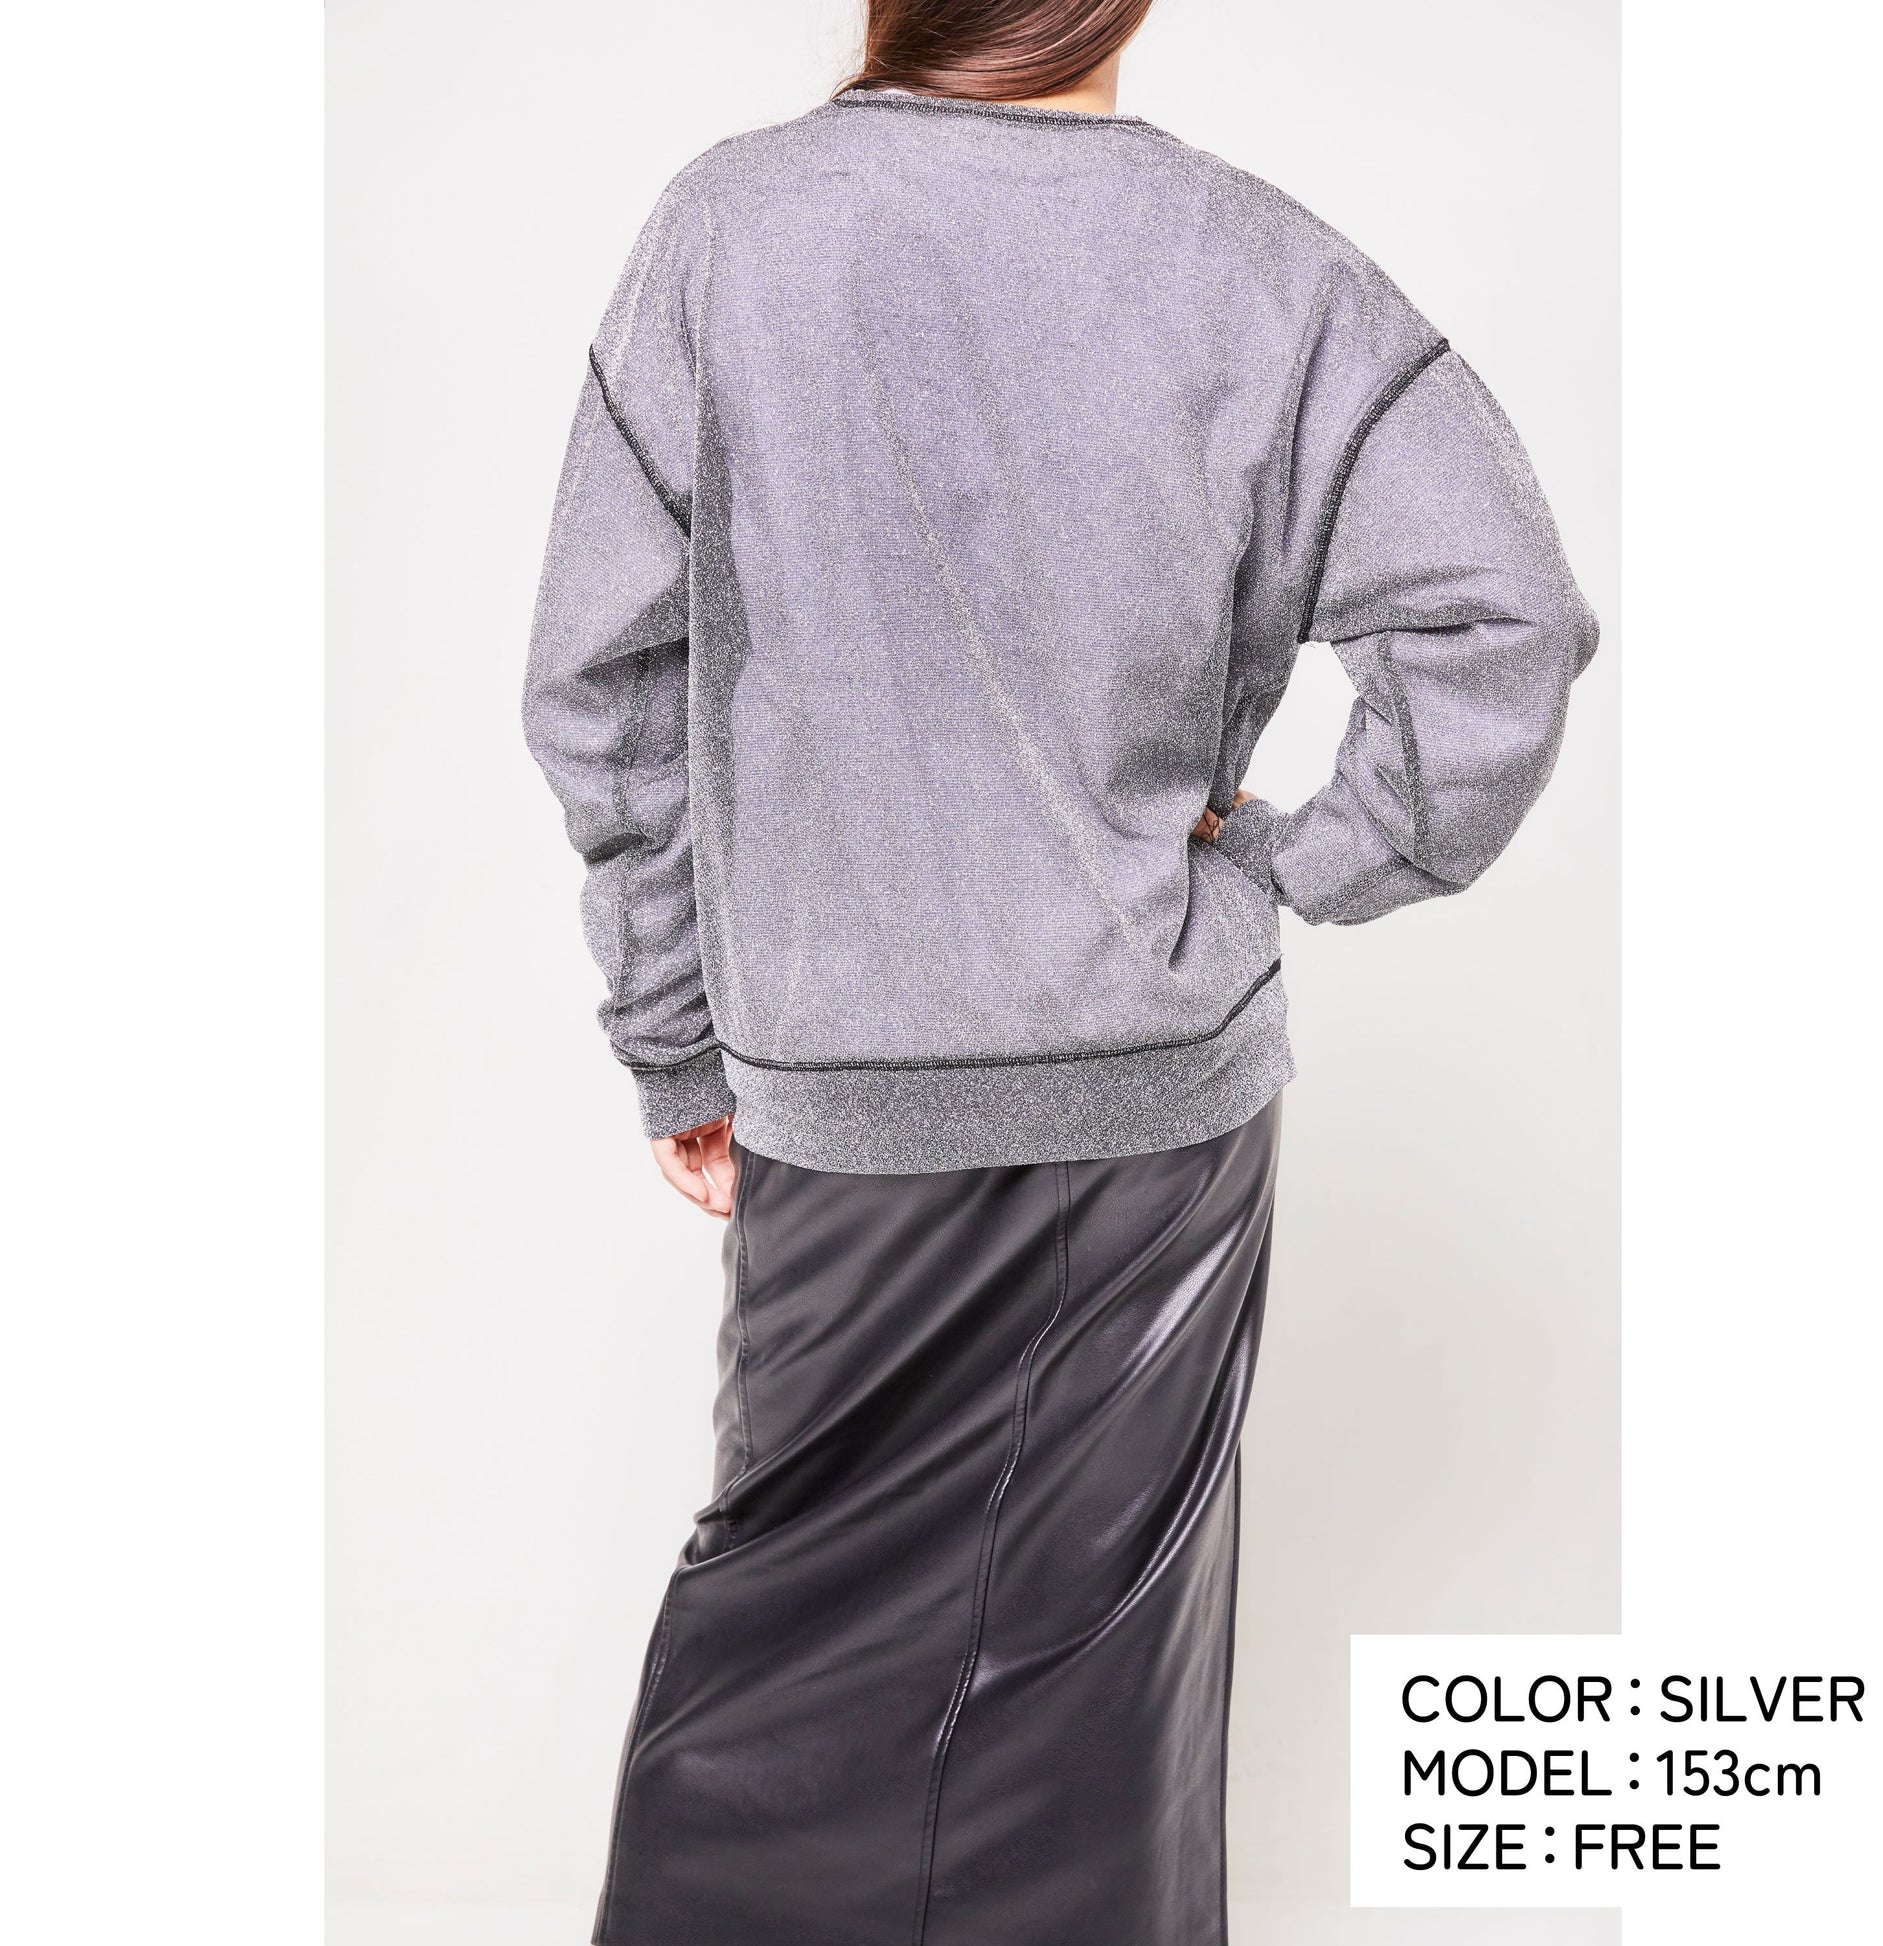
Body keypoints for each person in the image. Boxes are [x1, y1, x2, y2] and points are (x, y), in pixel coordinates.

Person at [523, 2, 1598, 1939]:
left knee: (779, 1669)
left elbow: (599, 686)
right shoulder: (1259, 266)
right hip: (1152, 1128)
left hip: (839, 1111)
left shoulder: (729, 233)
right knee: (1096, 1718)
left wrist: (675, 1036)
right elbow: (1498, 619)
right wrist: (1296, 865)